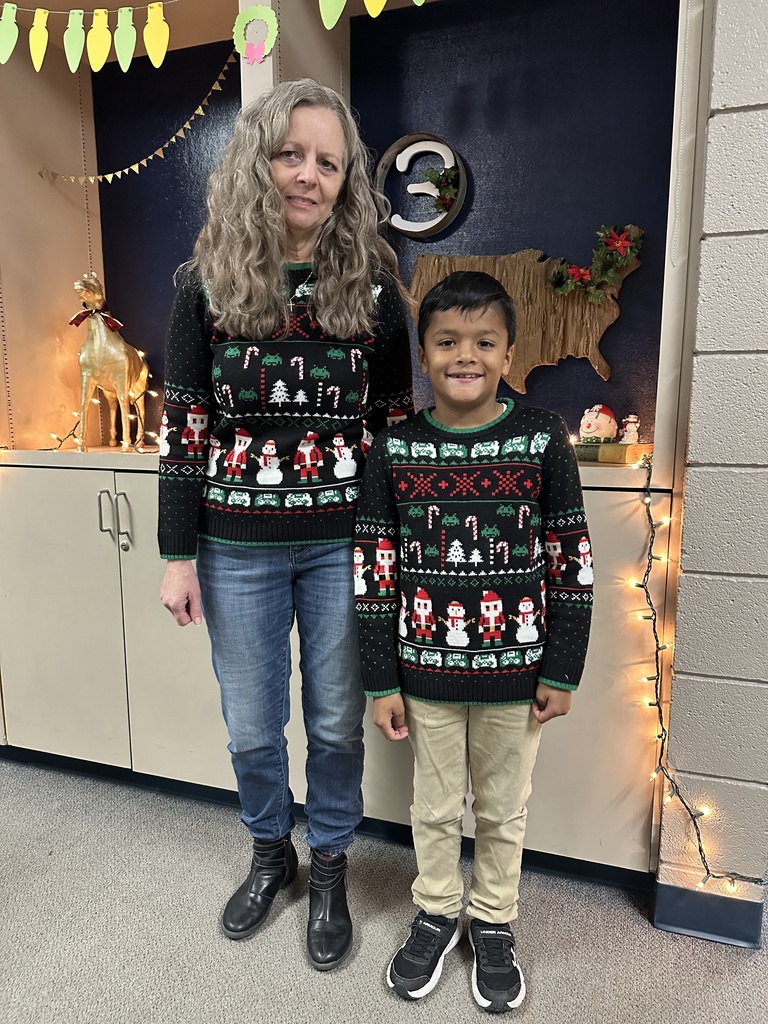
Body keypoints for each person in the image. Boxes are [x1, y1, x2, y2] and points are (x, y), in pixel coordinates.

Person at [158, 78, 413, 971]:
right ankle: (273, 852)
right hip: (235, 548)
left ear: (348, 181)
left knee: (337, 724)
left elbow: (390, 434)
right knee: (252, 724)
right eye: (289, 154)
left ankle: (333, 863)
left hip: (343, 545)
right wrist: (176, 555)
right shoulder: (205, 284)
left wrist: (393, 553)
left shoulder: (377, 288)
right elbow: (186, 425)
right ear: (257, 162)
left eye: (328, 162)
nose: (307, 175)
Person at [354, 272, 593, 1011]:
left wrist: (563, 665)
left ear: (508, 352)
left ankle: (492, 920)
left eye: (484, 341)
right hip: (423, 673)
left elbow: (569, 557)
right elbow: (372, 568)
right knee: (431, 806)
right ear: (424, 355)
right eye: (448, 341)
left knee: (502, 807)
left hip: (516, 674)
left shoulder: (541, 436)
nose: (466, 356)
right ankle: (435, 911)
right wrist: (380, 680)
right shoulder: (393, 450)